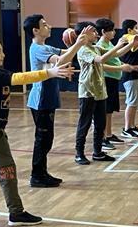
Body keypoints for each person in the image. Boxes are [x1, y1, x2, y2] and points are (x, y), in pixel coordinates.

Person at [0, 36, 74, 226]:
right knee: (7, 170)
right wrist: (50, 72)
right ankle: (16, 213)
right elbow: (20, 78)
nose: (3, 54)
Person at [24, 15, 95, 187]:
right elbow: (61, 61)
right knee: (43, 139)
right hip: (40, 101)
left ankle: (42, 173)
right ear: (35, 30)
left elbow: (64, 54)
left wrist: (80, 42)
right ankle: (37, 176)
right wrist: (78, 44)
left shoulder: (46, 47)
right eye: (44, 24)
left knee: (47, 139)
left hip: (48, 99)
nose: (49, 26)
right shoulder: (37, 49)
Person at [75, 21, 138, 164]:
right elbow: (101, 60)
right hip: (88, 92)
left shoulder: (95, 48)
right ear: (83, 35)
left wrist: (130, 45)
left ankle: (98, 152)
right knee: (84, 124)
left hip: (100, 92)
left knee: (100, 124)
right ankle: (79, 153)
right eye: (92, 32)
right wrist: (118, 45)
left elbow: (116, 53)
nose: (96, 34)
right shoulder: (83, 50)